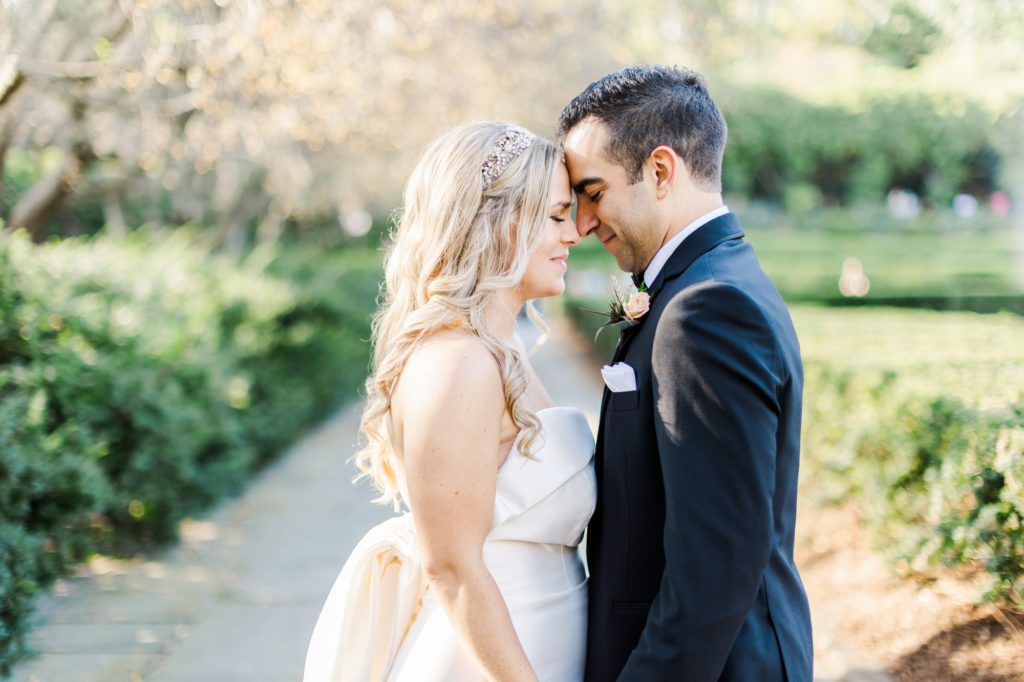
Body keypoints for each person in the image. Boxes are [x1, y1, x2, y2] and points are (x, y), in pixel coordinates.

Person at [303, 121, 595, 682]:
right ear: (499, 222)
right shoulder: (456, 362)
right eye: (556, 215)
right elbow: (453, 567)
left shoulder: (501, 348)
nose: (575, 232)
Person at [558, 65, 813, 681]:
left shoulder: (704, 309)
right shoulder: (710, 281)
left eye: (593, 192)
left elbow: (715, 567)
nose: (583, 223)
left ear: (661, 171)